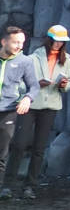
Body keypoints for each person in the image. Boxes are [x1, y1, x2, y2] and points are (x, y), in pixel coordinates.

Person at [11, 25, 70, 197]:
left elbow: (69, 85)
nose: (58, 44)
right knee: (19, 144)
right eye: (56, 40)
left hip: (50, 107)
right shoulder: (32, 58)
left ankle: (29, 185)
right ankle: (7, 183)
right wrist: (37, 83)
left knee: (39, 148)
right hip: (30, 105)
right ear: (49, 39)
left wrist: (64, 85)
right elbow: (20, 84)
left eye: (62, 41)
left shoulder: (66, 59)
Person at [0, 27, 33, 199]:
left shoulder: (25, 61)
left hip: (8, 111)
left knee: (2, 152)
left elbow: (33, 86)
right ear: (4, 42)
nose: (19, 46)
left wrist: (28, 98)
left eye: (22, 42)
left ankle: (2, 187)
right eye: (15, 42)